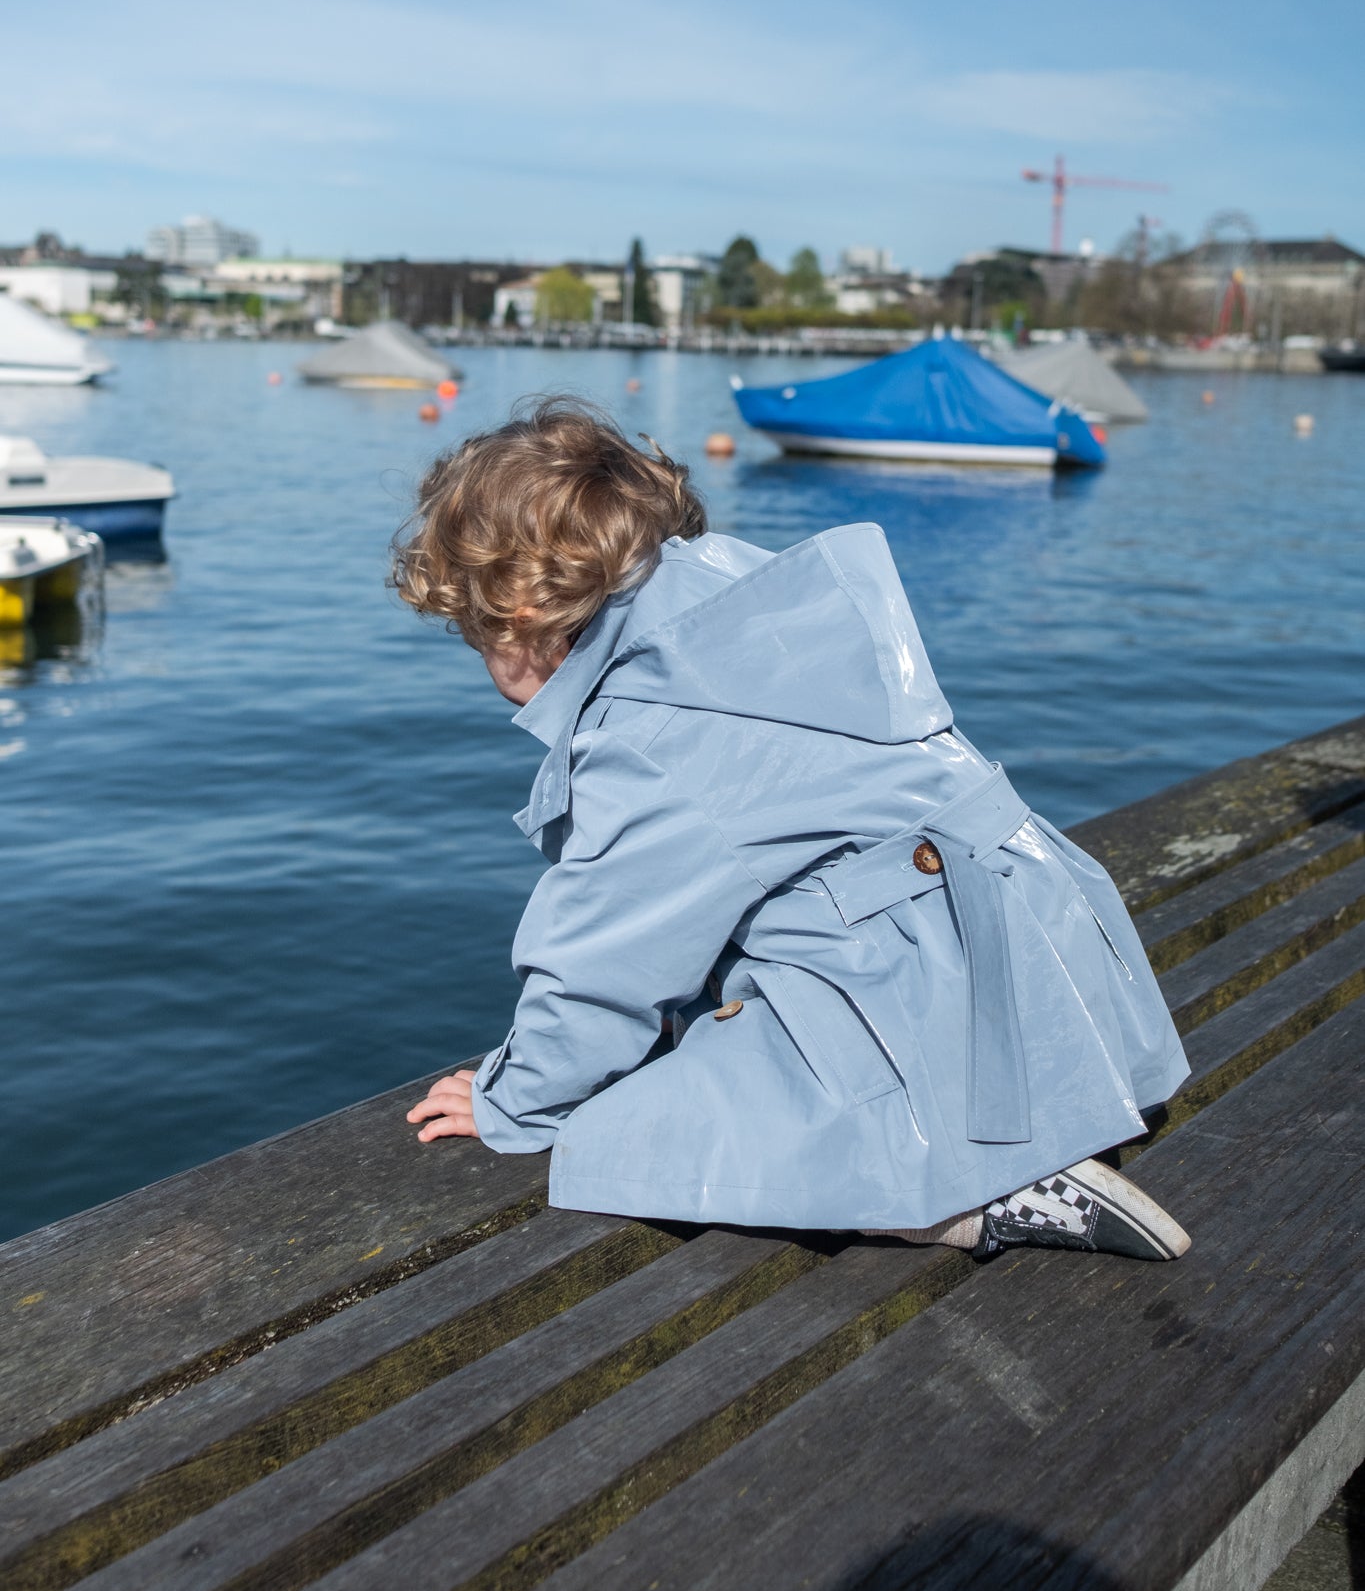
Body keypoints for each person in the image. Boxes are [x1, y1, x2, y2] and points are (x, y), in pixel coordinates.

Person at [395, 399, 1190, 1263]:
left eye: (471, 630)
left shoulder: (650, 733)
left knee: (628, 1137)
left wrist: (515, 1100)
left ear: (516, 614)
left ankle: (969, 1193)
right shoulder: (749, 608)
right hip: (1056, 968)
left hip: (951, 1024)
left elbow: (605, 958)